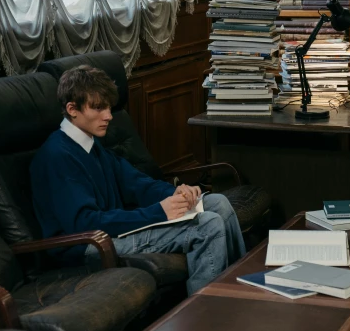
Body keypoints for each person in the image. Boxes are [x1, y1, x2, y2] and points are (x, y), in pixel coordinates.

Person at [30, 65, 246, 295]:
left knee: (218, 203)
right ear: (72, 109)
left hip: (113, 230)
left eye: (109, 108)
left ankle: (241, 293)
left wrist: (175, 193)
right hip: (88, 247)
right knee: (208, 226)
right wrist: (159, 212)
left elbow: (137, 184)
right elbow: (85, 223)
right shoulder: (58, 156)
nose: (109, 116)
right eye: (98, 108)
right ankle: (206, 318)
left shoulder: (91, 145)